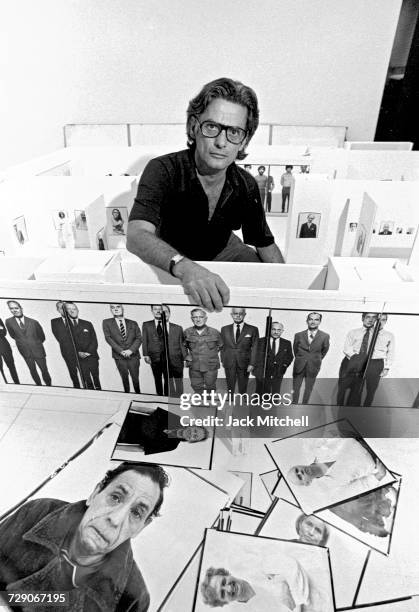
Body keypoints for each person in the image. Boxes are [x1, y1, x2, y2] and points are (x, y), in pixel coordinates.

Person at [127, 77, 284, 313]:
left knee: (262, 274)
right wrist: (186, 267)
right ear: (193, 126)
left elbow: (265, 244)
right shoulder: (163, 169)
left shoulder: (245, 184)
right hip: (173, 253)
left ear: (244, 141)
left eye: (234, 132)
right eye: (212, 127)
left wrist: (289, 291)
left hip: (223, 249)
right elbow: (136, 236)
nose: (221, 142)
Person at [0, 462, 169, 611]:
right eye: (115, 497)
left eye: (136, 513)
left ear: (141, 527)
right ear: (95, 494)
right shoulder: (40, 511)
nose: (115, 520)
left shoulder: (133, 598)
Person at [200, 552, 325, 610]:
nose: (228, 588)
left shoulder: (257, 568)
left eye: (223, 582)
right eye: (222, 593)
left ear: (226, 574)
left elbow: (290, 565)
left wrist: (300, 602)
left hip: (316, 599)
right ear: (224, 602)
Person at [287, 437, 387, 494]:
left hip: (365, 436)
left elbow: (333, 431)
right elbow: (362, 485)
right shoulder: (331, 486)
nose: (300, 472)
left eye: (297, 470)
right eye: (299, 477)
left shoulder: (316, 449)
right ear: (308, 483)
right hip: (381, 459)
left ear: (299, 465)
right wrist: (380, 474)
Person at [336, 313, 394, 407]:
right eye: (368, 317)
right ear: (363, 318)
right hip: (353, 361)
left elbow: (391, 352)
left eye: (374, 318)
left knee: (370, 389)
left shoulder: (382, 334)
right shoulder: (354, 332)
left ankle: (365, 410)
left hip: (374, 363)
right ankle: (341, 407)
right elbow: (347, 348)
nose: (371, 320)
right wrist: (357, 359)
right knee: (346, 386)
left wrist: (387, 367)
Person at [117, 406, 208, 454]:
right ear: (192, 426)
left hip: (119, 436)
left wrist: (116, 447)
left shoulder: (171, 446)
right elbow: (149, 411)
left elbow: (140, 449)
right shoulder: (176, 419)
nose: (192, 433)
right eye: (195, 430)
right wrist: (128, 407)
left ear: (191, 441)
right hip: (124, 417)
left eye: (195, 436)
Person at [142, 305, 187, 397]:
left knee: (174, 380)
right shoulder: (147, 325)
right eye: (157, 310)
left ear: (169, 314)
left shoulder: (177, 328)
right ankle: (161, 397)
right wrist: (146, 354)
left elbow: (182, 344)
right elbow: (144, 339)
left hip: (174, 358)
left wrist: (185, 358)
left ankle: (178, 398)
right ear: (152, 311)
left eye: (165, 311)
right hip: (156, 358)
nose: (161, 312)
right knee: (158, 379)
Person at [5, 300, 51, 386]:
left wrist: (34, 343)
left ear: (21, 308)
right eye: (11, 308)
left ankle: (49, 386)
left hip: (38, 351)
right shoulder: (8, 321)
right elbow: (13, 335)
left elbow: (42, 337)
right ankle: (39, 386)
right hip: (25, 352)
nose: (14, 310)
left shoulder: (33, 322)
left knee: (44, 370)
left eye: (16, 308)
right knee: (32, 370)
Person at [102, 303, 142, 393]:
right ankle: (127, 395)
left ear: (123, 308)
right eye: (112, 307)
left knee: (136, 379)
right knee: (124, 379)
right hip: (119, 357)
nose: (115, 309)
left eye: (118, 307)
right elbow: (108, 338)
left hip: (133, 356)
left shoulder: (133, 323)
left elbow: (139, 338)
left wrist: (131, 350)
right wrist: (121, 351)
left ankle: (138, 395)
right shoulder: (106, 322)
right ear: (110, 310)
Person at [292, 313, 329, 404]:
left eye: (316, 319)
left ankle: (305, 405)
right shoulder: (298, 335)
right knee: (295, 387)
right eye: (311, 319)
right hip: (299, 365)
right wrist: (301, 358)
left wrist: (315, 359)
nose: (313, 322)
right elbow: (295, 349)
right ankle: (294, 404)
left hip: (313, 366)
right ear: (307, 321)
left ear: (320, 321)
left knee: (309, 388)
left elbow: (324, 350)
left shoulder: (325, 336)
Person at [220, 307, 259, 394]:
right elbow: (222, 346)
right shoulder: (224, 329)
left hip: (245, 363)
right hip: (229, 362)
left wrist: (252, 363)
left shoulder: (252, 329)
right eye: (235, 313)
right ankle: (230, 401)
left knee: (243, 385)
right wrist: (223, 360)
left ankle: (242, 404)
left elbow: (255, 348)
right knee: (230, 385)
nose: (238, 316)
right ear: (231, 315)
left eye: (240, 313)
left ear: (244, 315)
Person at [184, 309, 223, 394]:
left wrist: (210, 355)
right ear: (192, 319)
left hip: (210, 365)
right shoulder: (187, 332)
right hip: (194, 365)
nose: (198, 319)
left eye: (201, 317)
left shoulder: (215, 332)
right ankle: (199, 404)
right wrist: (187, 356)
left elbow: (221, 345)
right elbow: (183, 346)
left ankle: (209, 404)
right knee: (196, 385)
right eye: (195, 317)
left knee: (210, 386)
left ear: (205, 318)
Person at [65, 302, 101, 390]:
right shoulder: (66, 326)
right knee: (87, 380)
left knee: (96, 378)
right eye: (69, 309)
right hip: (79, 359)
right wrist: (78, 353)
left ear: (77, 310)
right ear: (66, 312)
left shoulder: (87, 324)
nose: (72, 311)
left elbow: (94, 340)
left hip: (92, 356)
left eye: (74, 309)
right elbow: (67, 343)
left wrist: (88, 352)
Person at [254, 322, 293, 396]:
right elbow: (255, 356)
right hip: (263, 373)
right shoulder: (260, 341)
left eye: (279, 330)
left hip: (278, 373)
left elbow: (290, 356)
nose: (276, 332)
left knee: (276, 392)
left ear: (282, 331)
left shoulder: (287, 343)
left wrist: (284, 366)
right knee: (260, 393)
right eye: (273, 329)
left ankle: (274, 406)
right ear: (269, 330)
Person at [51, 301, 82, 388]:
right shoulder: (54, 322)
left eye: (66, 308)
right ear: (58, 310)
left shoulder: (76, 320)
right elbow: (59, 337)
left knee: (84, 372)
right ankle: (77, 388)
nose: (64, 310)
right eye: (61, 308)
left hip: (80, 350)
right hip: (67, 351)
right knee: (73, 372)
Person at [0, 317, 20, 384]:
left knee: (11, 366)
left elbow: (4, 332)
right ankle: (5, 385)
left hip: (4, 346)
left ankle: (17, 383)